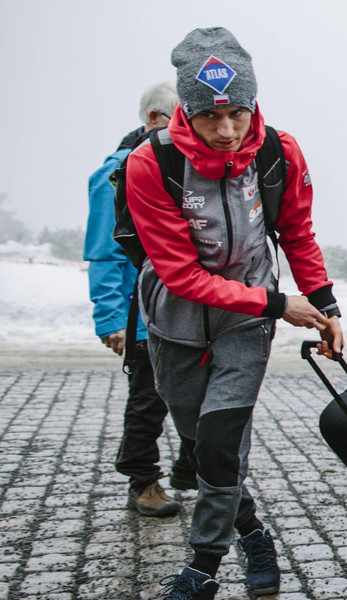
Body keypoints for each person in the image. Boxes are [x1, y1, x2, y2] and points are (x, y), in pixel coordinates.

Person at [126, 28, 343, 599]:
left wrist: (325, 305)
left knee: (221, 441)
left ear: (254, 104)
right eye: (210, 116)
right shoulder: (150, 165)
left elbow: (297, 232)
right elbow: (181, 275)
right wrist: (280, 303)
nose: (227, 131)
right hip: (175, 318)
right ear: (186, 112)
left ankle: (203, 568)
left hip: (246, 322)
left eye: (239, 113)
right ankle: (253, 532)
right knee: (201, 446)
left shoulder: (280, 151)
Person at [85, 82, 197, 518]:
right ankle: (142, 481)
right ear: (153, 119)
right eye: (179, 122)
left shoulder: (180, 165)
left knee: (200, 394)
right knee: (150, 398)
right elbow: (105, 252)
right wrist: (111, 320)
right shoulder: (116, 173)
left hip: (186, 305)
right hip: (141, 313)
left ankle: (191, 468)